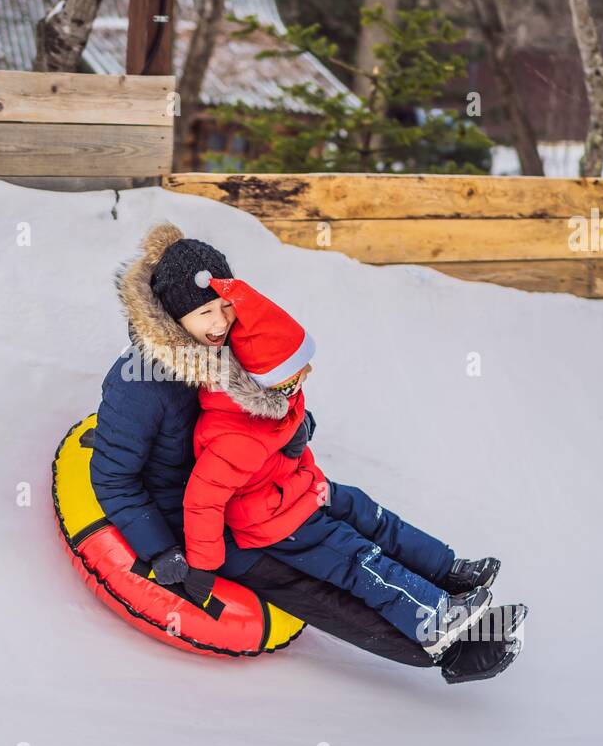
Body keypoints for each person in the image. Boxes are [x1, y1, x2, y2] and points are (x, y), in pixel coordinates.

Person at [89, 222, 522, 682]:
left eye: (223, 308)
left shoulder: (221, 343)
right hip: (203, 521)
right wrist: (162, 551)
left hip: (262, 482)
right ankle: (451, 650)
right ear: (174, 318)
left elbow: (275, 397)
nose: (218, 323)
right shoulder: (139, 382)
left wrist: (300, 429)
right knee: (321, 577)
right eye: (204, 314)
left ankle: (450, 581)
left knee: (356, 513)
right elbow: (114, 477)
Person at [182, 271, 504, 660]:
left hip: (304, 490)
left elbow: (287, 430)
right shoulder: (233, 436)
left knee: (371, 514)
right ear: (273, 382)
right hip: (276, 524)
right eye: (299, 371)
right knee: (356, 559)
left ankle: (446, 570)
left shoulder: (276, 398)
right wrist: (203, 565)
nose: (308, 374)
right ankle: (433, 618)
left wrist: (298, 436)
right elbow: (202, 500)